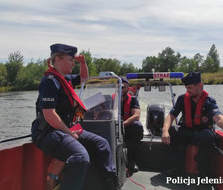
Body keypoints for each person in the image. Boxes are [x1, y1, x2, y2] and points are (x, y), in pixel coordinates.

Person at [31, 43, 119, 190]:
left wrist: (83, 62)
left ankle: (110, 185)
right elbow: (49, 115)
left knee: (102, 144)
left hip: (66, 129)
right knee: (80, 156)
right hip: (48, 132)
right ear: (58, 59)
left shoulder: (66, 79)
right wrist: (69, 132)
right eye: (71, 60)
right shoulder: (50, 82)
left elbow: (84, 77)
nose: (74, 63)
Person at [161, 72, 223, 177]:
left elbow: (218, 118)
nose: (187, 91)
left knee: (207, 136)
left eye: (190, 88)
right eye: (186, 88)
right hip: (187, 130)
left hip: (203, 132)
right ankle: (177, 168)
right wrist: (165, 131)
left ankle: (203, 174)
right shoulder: (182, 99)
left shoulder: (209, 101)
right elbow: (171, 116)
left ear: (199, 86)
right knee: (172, 130)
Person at [120, 77, 144, 176]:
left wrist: (123, 124)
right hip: (112, 127)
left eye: (123, 87)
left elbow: (136, 116)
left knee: (137, 126)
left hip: (126, 127)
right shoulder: (111, 99)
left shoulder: (133, 100)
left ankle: (132, 162)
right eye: (119, 87)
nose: (121, 90)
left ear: (128, 88)